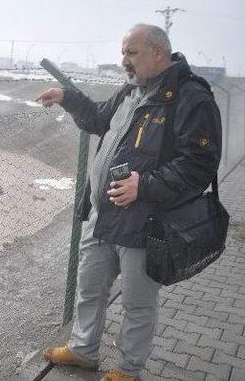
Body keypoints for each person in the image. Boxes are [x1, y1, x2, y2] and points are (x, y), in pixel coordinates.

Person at [35, 24, 222, 381]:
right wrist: (67, 97)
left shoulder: (190, 97)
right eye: (123, 53)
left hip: (146, 223)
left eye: (131, 53)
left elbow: (200, 164)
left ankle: (128, 369)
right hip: (103, 216)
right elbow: (97, 118)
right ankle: (82, 351)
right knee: (89, 289)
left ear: (158, 53)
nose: (123, 61)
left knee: (137, 303)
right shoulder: (131, 91)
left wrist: (146, 185)